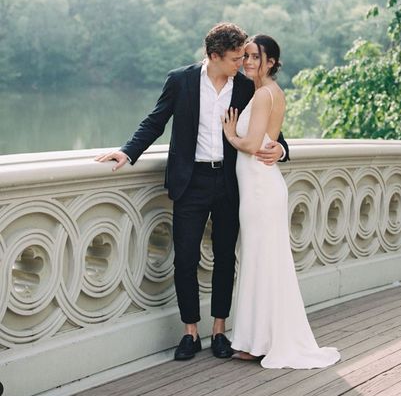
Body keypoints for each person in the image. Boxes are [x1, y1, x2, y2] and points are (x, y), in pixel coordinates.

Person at [95, 23, 289, 361]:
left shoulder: (245, 87)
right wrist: (127, 152)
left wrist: (282, 151)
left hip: (231, 183)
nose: (242, 63)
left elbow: (270, 128)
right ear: (214, 56)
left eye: (244, 56)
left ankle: (219, 330)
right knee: (185, 258)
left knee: (225, 257)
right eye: (234, 58)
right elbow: (155, 121)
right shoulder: (180, 80)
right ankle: (190, 332)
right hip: (190, 181)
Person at [221, 34, 340, 369]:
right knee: (264, 261)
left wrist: (231, 135)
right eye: (245, 56)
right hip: (261, 186)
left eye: (255, 57)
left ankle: (257, 342)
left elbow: (253, 144)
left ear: (271, 61)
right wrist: (276, 147)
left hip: (260, 188)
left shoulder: (263, 95)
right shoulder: (269, 92)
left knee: (261, 261)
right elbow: (270, 142)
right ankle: (258, 339)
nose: (248, 62)